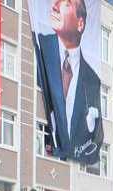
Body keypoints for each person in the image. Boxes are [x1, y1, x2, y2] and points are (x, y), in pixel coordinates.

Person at [34, 0, 103, 164]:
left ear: (80, 24)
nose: (55, 6)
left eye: (66, 3)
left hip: (66, 161)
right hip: (41, 151)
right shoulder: (40, 47)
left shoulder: (92, 81)